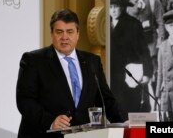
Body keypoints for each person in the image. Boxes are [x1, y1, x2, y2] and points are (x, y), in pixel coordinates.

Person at [16, 8, 128, 138]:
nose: (65, 37)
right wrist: (50, 121)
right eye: (59, 32)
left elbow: (105, 100)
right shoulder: (34, 60)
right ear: (52, 33)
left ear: (78, 33)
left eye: (70, 32)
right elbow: (25, 100)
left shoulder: (92, 61)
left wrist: (125, 123)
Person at [110, 0, 153, 113]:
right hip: (112, 75)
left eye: (116, 7)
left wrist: (147, 72)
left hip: (130, 74)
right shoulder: (105, 24)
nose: (113, 10)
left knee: (131, 109)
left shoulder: (133, 24)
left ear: (122, 7)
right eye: (110, 7)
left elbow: (143, 50)